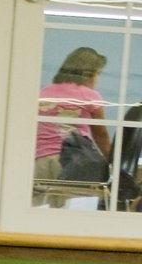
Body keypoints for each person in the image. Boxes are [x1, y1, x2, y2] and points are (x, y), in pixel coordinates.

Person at [34, 47, 111, 198]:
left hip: (40, 159)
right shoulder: (90, 95)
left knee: (41, 208)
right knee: (69, 209)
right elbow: (100, 135)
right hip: (74, 160)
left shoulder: (43, 93)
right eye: (98, 74)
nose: (98, 79)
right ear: (88, 74)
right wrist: (112, 161)